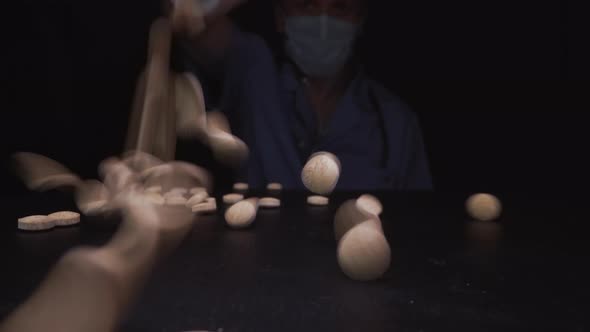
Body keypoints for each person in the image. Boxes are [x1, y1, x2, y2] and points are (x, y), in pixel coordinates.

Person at [169, 0, 433, 190]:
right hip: (256, 263)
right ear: (281, 17)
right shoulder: (253, 72)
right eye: (307, 4)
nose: (323, 21)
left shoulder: (395, 122)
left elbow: (416, 225)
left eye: (340, 7)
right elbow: (188, 15)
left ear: (360, 19)